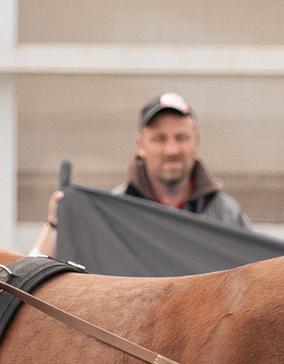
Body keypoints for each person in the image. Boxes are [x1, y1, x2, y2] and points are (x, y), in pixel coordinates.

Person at [33, 92, 250, 257]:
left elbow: (256, 276)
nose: (172, 150)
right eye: (159, 139)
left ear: (197, 142)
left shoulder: (227, 215)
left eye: (181, 138)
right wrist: (55, 225)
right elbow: (34, 279)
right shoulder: (112, 213)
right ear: (141, 146)